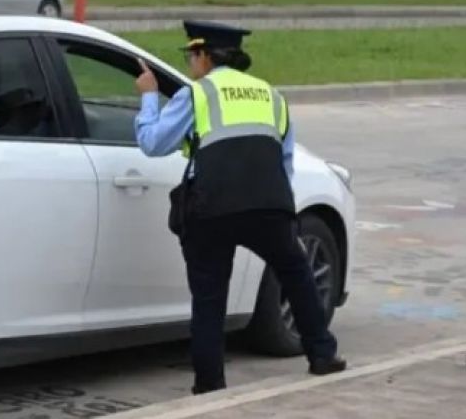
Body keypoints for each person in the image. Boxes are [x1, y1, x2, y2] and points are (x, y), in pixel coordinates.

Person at [133, 20, 346, 395]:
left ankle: (210, 383)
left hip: (212, 207)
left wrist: (150, 96)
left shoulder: (198, 94)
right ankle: (322, 354)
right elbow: (285, 161)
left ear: (204, 56)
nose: (189, 65)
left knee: (210, 295)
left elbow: (153, 143)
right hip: (268, 204)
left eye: (190, 56)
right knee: (297, 274)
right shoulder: (270, 95)